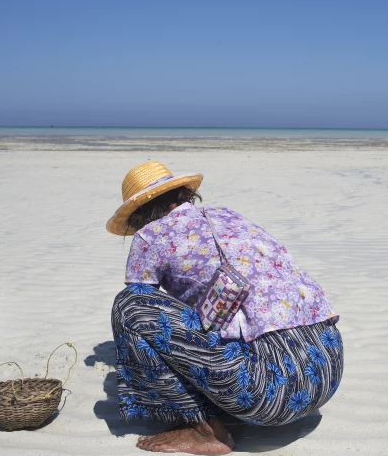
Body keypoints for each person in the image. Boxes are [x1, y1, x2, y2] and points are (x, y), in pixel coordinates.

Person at [106, 161, 343, 455]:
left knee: (130, 305)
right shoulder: (228, 215)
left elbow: (144, 303)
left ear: (138, 214)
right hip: (328, 372)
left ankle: (201, 429)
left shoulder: (150, 235)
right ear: (182, 194)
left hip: (269, 398)